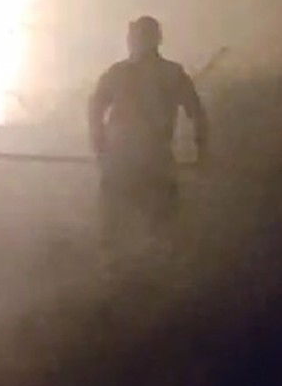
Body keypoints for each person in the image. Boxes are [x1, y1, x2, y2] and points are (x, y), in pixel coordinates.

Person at [87, 16, 208, 246]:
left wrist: (99, 143)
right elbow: (198, 114)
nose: (134, 42)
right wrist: (99, 142)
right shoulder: (164, 73)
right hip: (132, 159)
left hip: (141, 160)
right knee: (132, 225)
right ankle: (135, 267)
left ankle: (136, 268)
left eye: (137, 37)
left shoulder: (161, 73)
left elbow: (198, 114)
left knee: (142, 226)